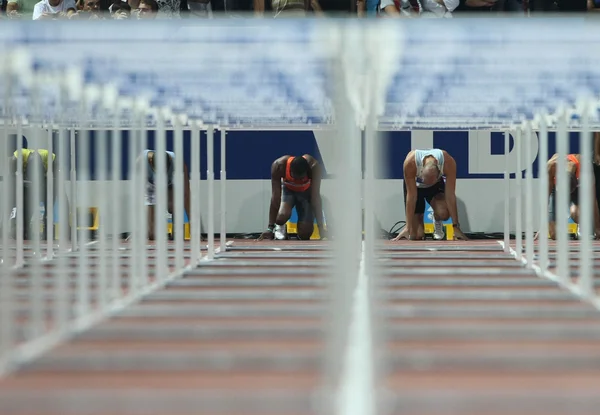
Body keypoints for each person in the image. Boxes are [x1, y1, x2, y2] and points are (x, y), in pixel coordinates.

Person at [393, 148, 468, 241]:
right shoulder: (410, 163)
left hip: (435, 187)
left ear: (438, 175)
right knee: (416, 236)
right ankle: (414, 227)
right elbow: (411, 197)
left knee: (443, 213)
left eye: (430, 181)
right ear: (421, 172)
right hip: (415, 187)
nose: (426, 184)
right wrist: (407, 227)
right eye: (425, 180)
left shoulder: (448, 162)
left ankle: (437, 220)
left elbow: (450, 195)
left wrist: (455, 226)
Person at [258, 154, 327, 241]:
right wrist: (270, 228)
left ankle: (301, 233)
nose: (297, 181)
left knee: (305, 234)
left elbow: (315, 198)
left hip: (305, 193)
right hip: (288, 192)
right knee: (281, 216)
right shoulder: (278, 166)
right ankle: (280, 228)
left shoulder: (314, 167)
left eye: (301, 178)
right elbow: (276, 197)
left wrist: (321, 228)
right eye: (295, 178)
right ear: (290, 170)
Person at [6, 148, 70, 240]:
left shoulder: (52, 161)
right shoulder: (16, 159)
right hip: (26, 182)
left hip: (46, 182)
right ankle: (22, 227)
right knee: (16, 200)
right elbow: (11, 180)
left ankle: (48, 227)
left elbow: (62, 194)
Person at [535, 153, 600, 240]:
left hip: (577, 189)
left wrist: (597, 228)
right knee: (554, 234)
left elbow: (593, 200)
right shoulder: (552, 166)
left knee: (576, 213)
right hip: (557, 188)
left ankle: (581, 225)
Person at [138, 149, 191, 241]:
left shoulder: (178, 162)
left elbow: (186, 193)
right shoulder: (141, 160)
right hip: (150, 186)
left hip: (170, 184)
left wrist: (190, 222)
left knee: (174, 207)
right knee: (152, 235)